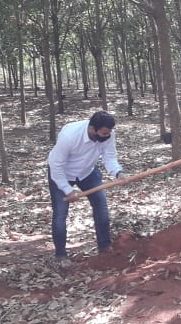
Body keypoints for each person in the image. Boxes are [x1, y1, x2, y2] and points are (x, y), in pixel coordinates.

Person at [47, 111, 124, 260]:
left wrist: (118, 173)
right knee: (60, 214)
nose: (106, 136)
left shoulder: (107, 134)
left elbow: (109, 156)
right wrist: (67, 190)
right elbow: (55, 165)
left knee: (101, 206)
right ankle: (61, 255)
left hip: (87, 172)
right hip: (63, 173)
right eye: (103, 133)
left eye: (108, 133)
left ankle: (105, 247)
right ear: (92, 129)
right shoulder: (69, 135)